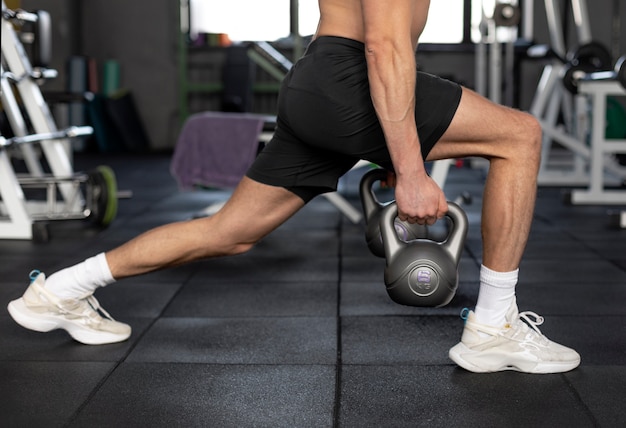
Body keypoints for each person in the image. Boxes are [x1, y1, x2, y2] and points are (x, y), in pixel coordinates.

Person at [7, 0, 580, 374]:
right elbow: (384, 48)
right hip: (349, 79)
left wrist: (389, 146)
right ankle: (492, 325)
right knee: (520, 135)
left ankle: (58, 290)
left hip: (320, 81)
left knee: (230, 232)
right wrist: (407, 168)